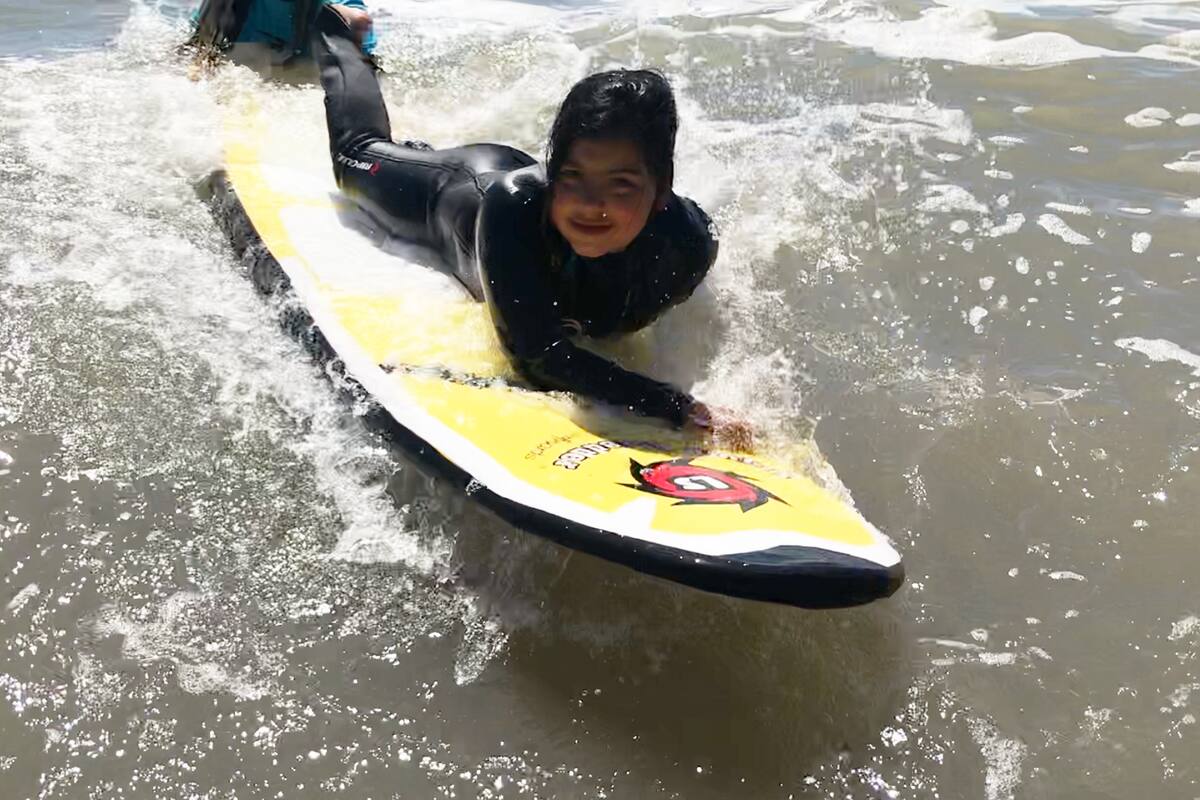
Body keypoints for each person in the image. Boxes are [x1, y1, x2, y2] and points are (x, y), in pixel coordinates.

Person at [313, 5, 753, 447]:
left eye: (621, 185)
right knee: (356, 158)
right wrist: (675, 405)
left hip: (521, 185)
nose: (591, 205)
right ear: (553, 174)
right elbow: (537, 357)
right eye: (573, 178)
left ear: (660, 192)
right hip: (460, 194)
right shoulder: (513, 209)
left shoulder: (691, 244)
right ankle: (339, 29)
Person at [188, 0, 376, 62]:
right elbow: (198, 55)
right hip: (245, 68)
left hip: (311, 68)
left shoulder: (331, 7)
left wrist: (350, 18)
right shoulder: (222, 6)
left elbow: (353, 14)